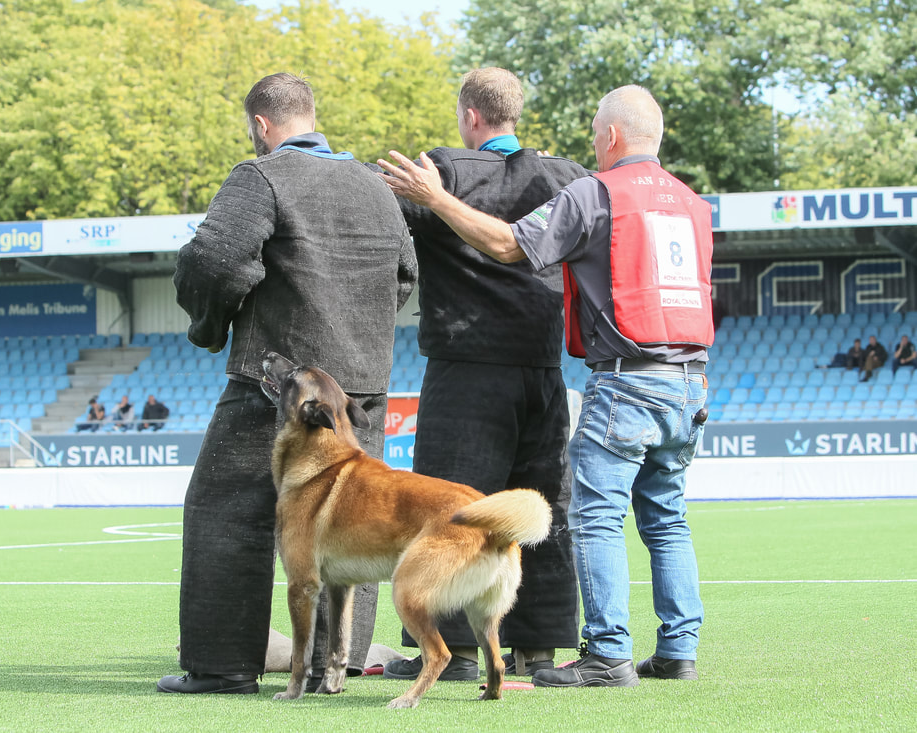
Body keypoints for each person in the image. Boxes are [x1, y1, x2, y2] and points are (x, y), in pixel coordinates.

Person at [380, 84, 712, 687]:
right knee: (656, 518)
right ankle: (667, 650)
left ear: (612, 136)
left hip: (609, 376)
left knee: (590, 517)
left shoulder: (597, 191)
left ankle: (599, 653)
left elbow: (510, 244)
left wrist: (433, 196)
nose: (593, 144)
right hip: (686, 379)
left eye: (596, 133)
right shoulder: (689, 202)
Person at [159, 72, 417, 696]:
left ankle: (223, 667)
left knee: (226, 513)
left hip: (277, 387)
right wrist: (358, 341)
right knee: (350, 524)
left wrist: (209, 326)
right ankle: (338, 664)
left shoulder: (262, 176)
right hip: (357, 393)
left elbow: (212, 260)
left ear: (261, 125)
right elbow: (406, 274)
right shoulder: (375, 186)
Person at [381, 67, 583, 683]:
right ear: (513, 113)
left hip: (468, 366)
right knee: (541, 507)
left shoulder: (442, 171)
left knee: (452, 505)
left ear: (471, 116)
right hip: (542, 366)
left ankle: (455, 651)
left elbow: (381, 218)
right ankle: (538, 649)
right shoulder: (566, 176)